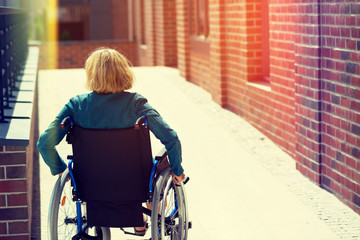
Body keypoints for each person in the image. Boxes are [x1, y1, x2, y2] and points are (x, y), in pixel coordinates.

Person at [37, 47, 185, 235]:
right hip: (135, 183)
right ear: (123, 72)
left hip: (90, 184)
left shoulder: (76, 105)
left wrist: (60, 171)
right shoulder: (136, 103)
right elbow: (171, 138)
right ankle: (141, 221)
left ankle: (133, 219)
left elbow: (44, 144)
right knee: (161, 165)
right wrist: (178, 171)